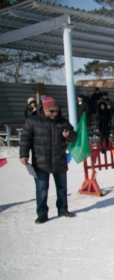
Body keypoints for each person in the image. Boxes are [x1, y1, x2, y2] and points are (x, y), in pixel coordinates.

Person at [19, 96, 77, 224]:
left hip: (59, 160)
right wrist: (24, 154)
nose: (55, 113)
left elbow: (74, 137)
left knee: (62, 188)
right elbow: (25, 139)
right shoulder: (32, 121)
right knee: (42, 189)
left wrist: (69, 135)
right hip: (40, 161)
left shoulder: (62, 121)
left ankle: (63, 209)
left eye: (56, 110)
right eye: (51, 111)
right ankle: (42, 213)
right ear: (43, 110)